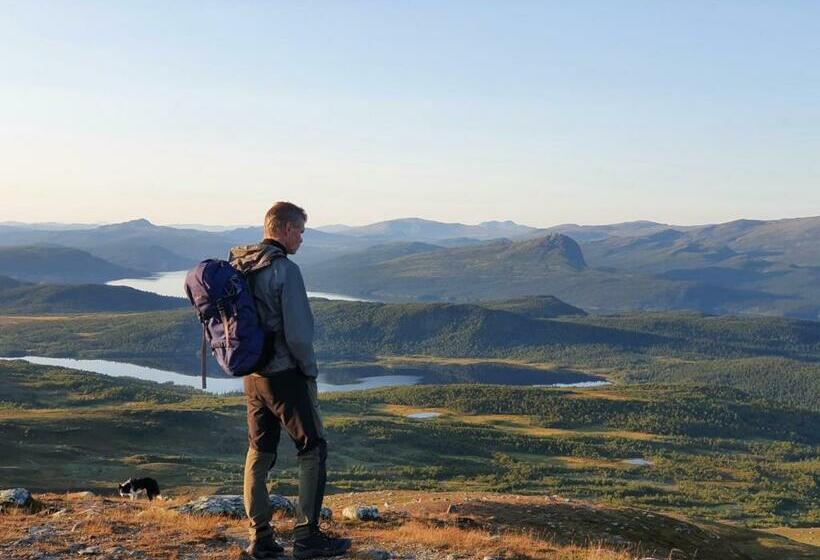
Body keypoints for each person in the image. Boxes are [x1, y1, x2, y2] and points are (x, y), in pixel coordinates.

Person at [229, 201, 351, 560]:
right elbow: (298, 334)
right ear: (282, 229)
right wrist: (309, 370)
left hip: (252, 376)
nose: (301, 237)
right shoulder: (285, 270)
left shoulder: (241, 264)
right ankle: (306, 537)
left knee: (259, 453)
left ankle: (260, 537)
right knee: (313, 449)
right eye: (298, 230)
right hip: (285, 375)